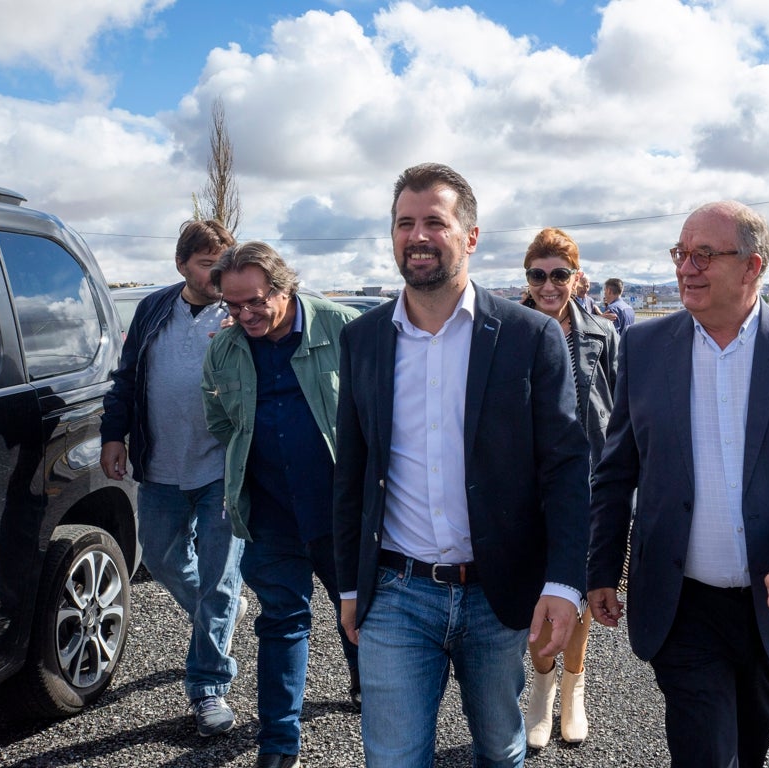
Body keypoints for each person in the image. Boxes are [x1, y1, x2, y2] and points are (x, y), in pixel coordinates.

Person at [587, 200, 769, 768]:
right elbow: (618, 469)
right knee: (705, 751)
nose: (686, 267)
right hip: (680, 598)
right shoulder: (643, 348)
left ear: (752, 267)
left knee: (750, 740)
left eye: (705, 255)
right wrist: (601, 567)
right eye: (681, 253)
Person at [332, 163, 591, 768]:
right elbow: (352, 470)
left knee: (500, 751)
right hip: (395, 591)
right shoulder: (364, 339)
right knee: (393, 759)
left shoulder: (529, 337)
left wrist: (562, 582)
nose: (417, 236)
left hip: (497, 593)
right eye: (404, 223)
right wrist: (349, 583)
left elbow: (565, 469)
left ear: (470, 237)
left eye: (434, 222)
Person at [200, 242, 361, 768]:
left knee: (361, 611)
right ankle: (278, 744)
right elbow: (220, 420)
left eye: (254, 302)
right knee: (281, 620)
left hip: (341, 511)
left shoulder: (344, 329)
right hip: (269, 512)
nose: (244, 315)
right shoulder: (224, 349)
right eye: (232, 306)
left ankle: (367, 686)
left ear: (284, 287)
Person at [99, 219, 246, 737]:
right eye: (209, 264)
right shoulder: (153, 310)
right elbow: (126, 378)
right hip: (160, 466)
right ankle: (218, 612)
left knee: (220, 578)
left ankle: (209, 687)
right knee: (159, 559)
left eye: (224, 263)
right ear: (182, 264)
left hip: (221, 469)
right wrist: (113, 435)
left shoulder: (239, 312)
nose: (219, 273)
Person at [518, 227, 618, 747]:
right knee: (538, 589)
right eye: (538, 274)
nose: (548, 284)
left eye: (559, 274)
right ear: (527, 278)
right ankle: (539, 690)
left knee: (575, 590)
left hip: (588, 483)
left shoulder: (603, 333)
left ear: (576, 279)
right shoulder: (507, 331)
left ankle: (572, 691)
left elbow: (620, 413)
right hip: (525, 486)